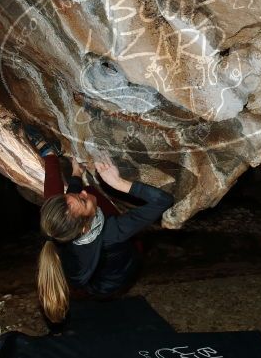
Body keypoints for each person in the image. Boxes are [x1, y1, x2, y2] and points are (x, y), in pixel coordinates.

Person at [33, 135, 174, 324]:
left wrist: (75, 173)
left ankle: (49, 155)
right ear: (84, 228)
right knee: (95, 196)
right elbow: (163, 201)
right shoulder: (112, 233)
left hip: (86, 273)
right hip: (114, 280)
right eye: (82, 200)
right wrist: (118, 183)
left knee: (65, 201)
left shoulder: (56, 229)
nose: (82, 192)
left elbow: (62, 201)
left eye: (77, 194)